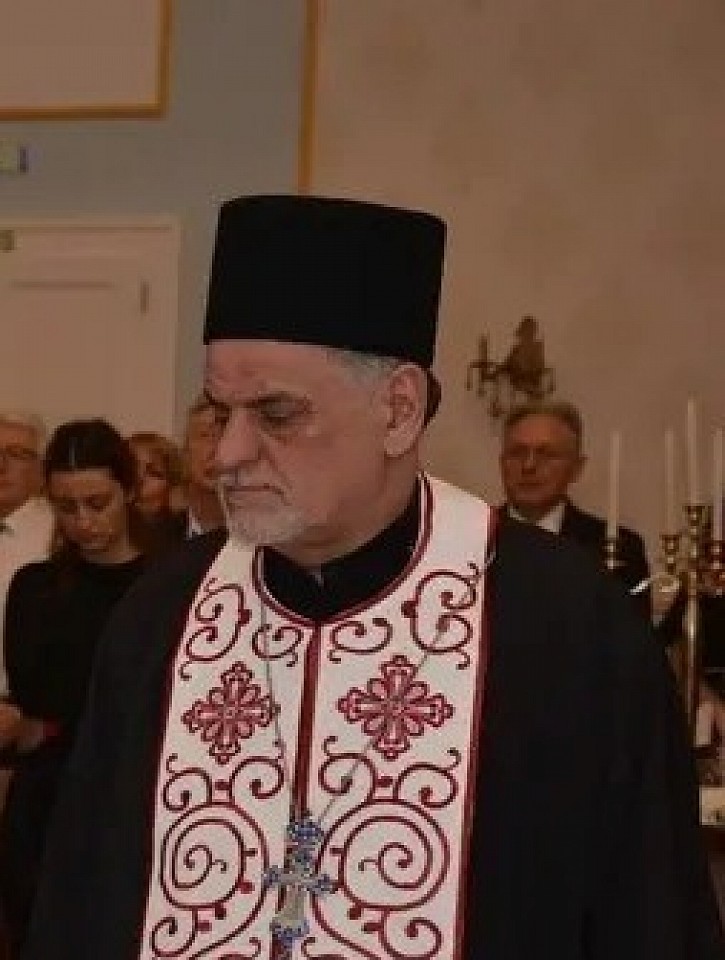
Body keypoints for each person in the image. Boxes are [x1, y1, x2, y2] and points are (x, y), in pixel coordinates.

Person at [24, 196, 723, 959]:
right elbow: (80, 899)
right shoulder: (165, 610)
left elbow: (647, 913)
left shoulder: (565, 625)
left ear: (397, 409)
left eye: (275, 413)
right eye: (220, 413)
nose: (227, 454)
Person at [0, 420, 148, 954]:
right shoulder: (35, 587)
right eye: (66, 507)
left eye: (97, 502)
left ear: (128, 491)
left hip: (132, 798)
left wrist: (46, 724)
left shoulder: (166, 586)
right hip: (48, 799)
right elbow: (31, 699)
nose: (84, 522)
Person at [500, 400, 651, 612]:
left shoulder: (620, 548)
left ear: (576, 468)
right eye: (517, 452)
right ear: (502, 463)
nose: (529, 465)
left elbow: (632, 628)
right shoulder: (473, 539)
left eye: (546, 454)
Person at [0, 412, 53, 699]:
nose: (1, 465)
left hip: (23, 707)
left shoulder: (58, 536)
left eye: (16, 454)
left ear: (42, 470)